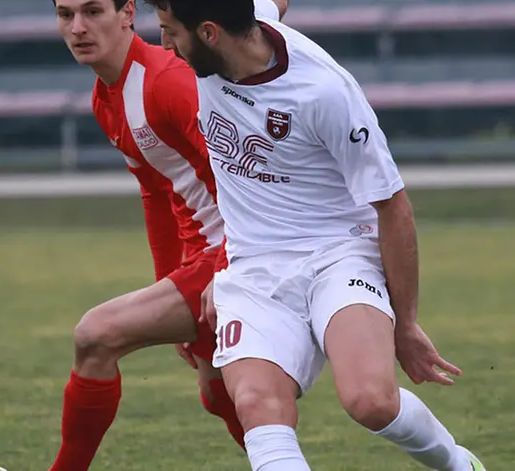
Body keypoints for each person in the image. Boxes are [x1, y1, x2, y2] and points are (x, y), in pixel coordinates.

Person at [143, 0, 487, 469]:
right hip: (253, 267)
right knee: (258, 405)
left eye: (170, 32)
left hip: (339, 252)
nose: (164, 45)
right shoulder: (236, 22)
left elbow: (393, 205)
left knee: (370, 401)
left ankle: (457, 464)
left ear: (208, 33)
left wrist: (405, 326)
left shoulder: (324, 93)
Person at [46, 0, 246, 469]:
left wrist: (223, 271)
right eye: (65, 14)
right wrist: (169, 283)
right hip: (202, 258)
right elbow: (157, 195)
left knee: (95, 336)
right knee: (222, 395)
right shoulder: (106, 97)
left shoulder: (166, 82)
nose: (78, 28)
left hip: (237, 254)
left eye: (93, 11)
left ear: (128, 13)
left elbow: (239, 180)